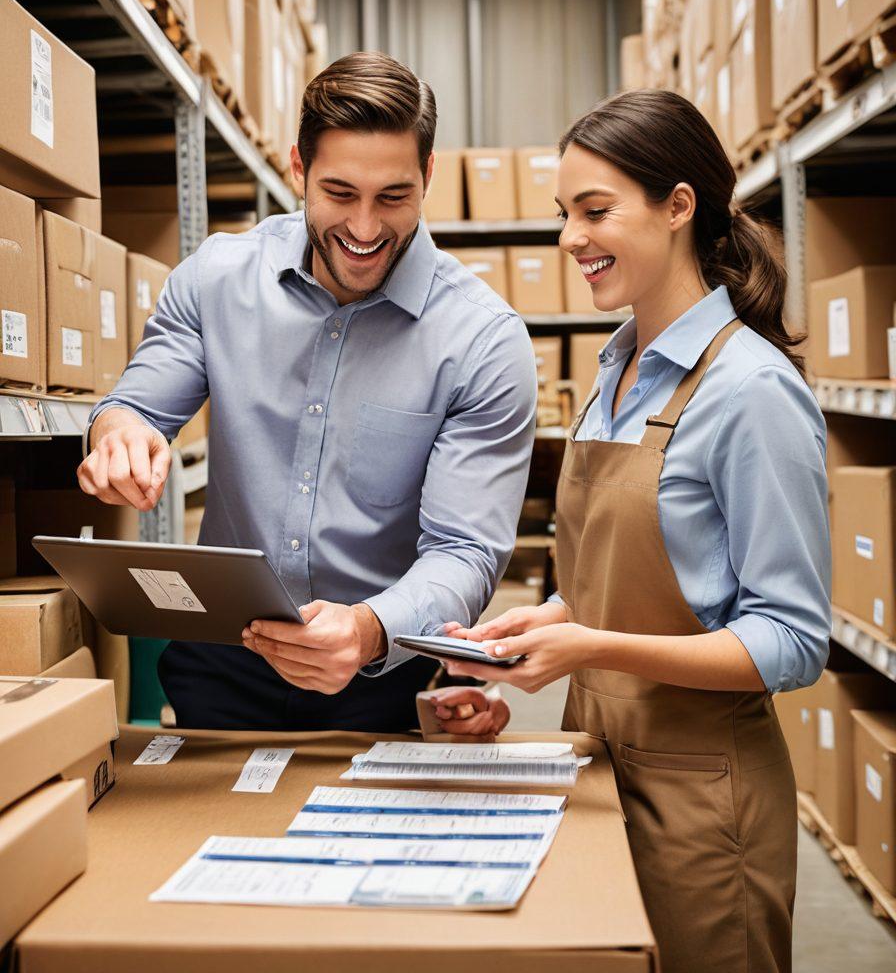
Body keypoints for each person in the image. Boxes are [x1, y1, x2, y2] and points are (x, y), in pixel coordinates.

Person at [430, 90, 831, 973]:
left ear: (679, 206)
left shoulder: (750, 393)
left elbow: (793, 639)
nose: (570, 237)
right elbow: (638, 579)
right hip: (595, 764)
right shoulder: (617, 372)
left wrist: (591, 644)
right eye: (563, 214)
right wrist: (531, 630)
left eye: (595, 209)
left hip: (703, 797)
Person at [78, 52, 537, 732]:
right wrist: (117, 433)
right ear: (298, 168)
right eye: (340, 193)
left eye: (393, 197)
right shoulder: (218, 280)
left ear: (428, 176)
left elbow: (465, 551)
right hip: (221, 664)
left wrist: (368, 630)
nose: (364, 229)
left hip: (382, 673)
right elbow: (138, 406)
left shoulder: (482, 340)